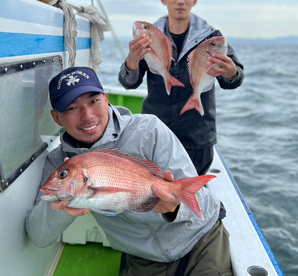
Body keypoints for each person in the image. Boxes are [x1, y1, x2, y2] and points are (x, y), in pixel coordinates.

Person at [25, 66, 233, 276]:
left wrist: (175, 207)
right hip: (143, 257)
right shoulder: (60, 164)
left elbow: (198, 200)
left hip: (200, 238)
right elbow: (39, 236)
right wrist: (58, 208)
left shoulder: (148, 130)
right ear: (57, 118)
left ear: (106, 99)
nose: (87, 116)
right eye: (71, 108)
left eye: (93, 101)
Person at [118, 0, 244, 175]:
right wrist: (132, 59)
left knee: (189, 195)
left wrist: (230, 71)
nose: (180, 1)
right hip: (156, 134)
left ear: (194, 0)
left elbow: (235, 79)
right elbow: (128, 83)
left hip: (198, 137)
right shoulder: (150, 35)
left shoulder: (212, 37)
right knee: (157, 195)